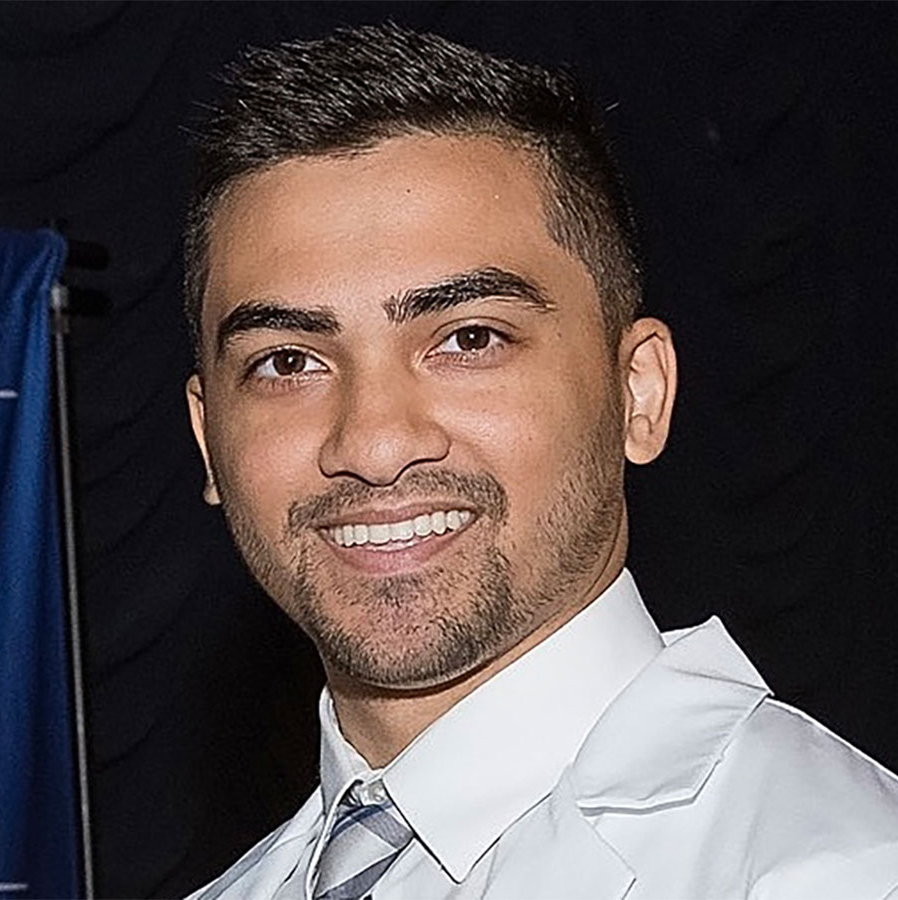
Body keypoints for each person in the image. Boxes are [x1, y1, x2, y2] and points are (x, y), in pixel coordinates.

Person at [182, 23, 898, 900]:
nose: (372, 443)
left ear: (638, 393)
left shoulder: (839, 870)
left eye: (469, 339)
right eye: (288, 362)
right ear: (207, 436)